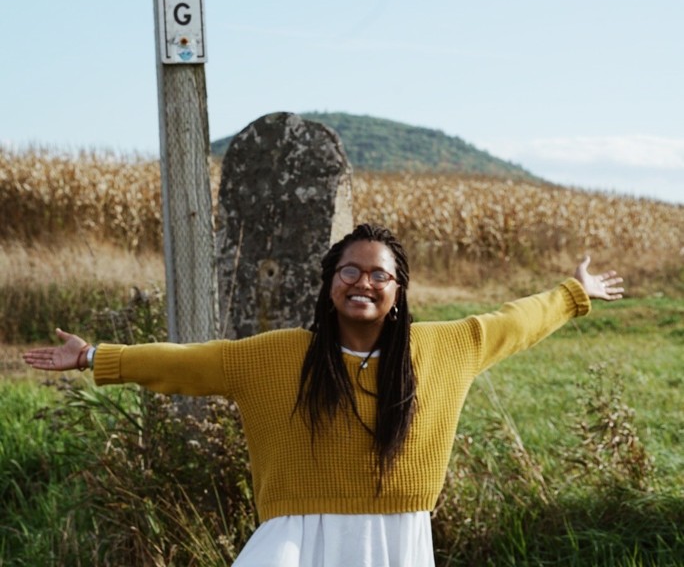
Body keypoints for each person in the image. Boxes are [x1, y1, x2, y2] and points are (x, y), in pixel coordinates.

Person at [23, 223, 624, 567]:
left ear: (398, 291)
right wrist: (98, 356)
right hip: (297, 539)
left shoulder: (445, 347)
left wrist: (576, 291)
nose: (363, 281)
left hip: (396, 539)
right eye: (349, 270)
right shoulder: (278, 356)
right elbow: (192, 364)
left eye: (378, 273)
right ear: (330, 284)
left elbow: (516, 320)